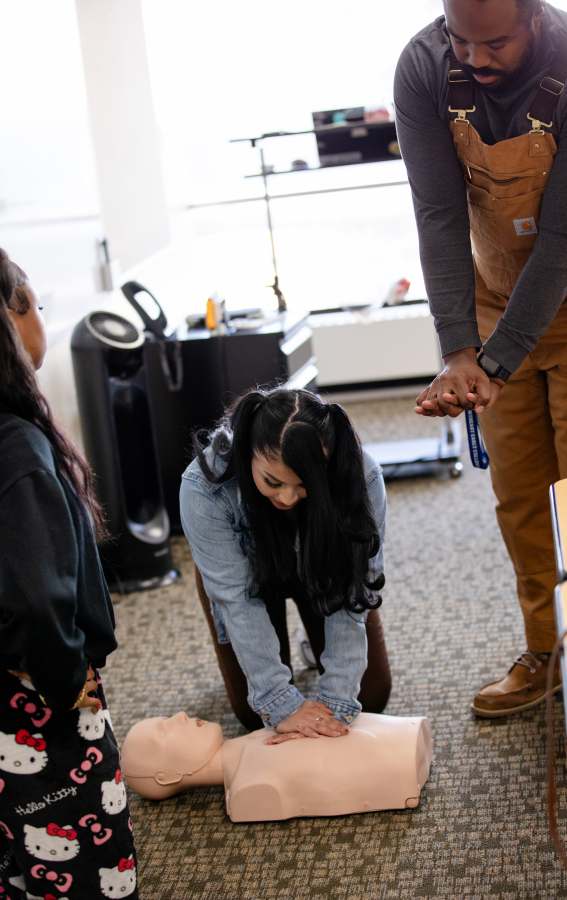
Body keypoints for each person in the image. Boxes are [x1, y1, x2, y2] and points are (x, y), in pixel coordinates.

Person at [394, 0, 567, 729]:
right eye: (460, 39)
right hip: (489, 298)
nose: (474, 59)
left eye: (496, 43)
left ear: (536, 17)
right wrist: (458, 351)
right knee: (519, 494)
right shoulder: (422, 68)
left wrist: (494, 362)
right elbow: (439, 214)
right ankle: (547, 653)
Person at [0, 249, 138, 899]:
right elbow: (37, 593)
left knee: (20, 856)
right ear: (13, 312)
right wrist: (65, 680)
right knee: (82, 859)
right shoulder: (17, 447)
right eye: (38, 304)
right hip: (41, 695)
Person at [180, 388, 391, 739]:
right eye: (273, 482)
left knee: (370, 699)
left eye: (304, 485)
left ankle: (312, 640)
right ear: (248, 452)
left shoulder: (362, 476)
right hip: (246, 581)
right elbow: (236, 600)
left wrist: (336, 704)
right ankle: (297, 643)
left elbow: (356, 586)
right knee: (254, 715)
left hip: (324, 571)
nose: (288, 498)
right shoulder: (203, 488)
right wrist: (280, 703)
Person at [120, 710, 433, 819]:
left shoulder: (253, 740)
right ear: (167, 776)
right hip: (400, 766)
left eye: (166, 718)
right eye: (165, 730)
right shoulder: (249, 789)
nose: (180, 717)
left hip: (403, 738)